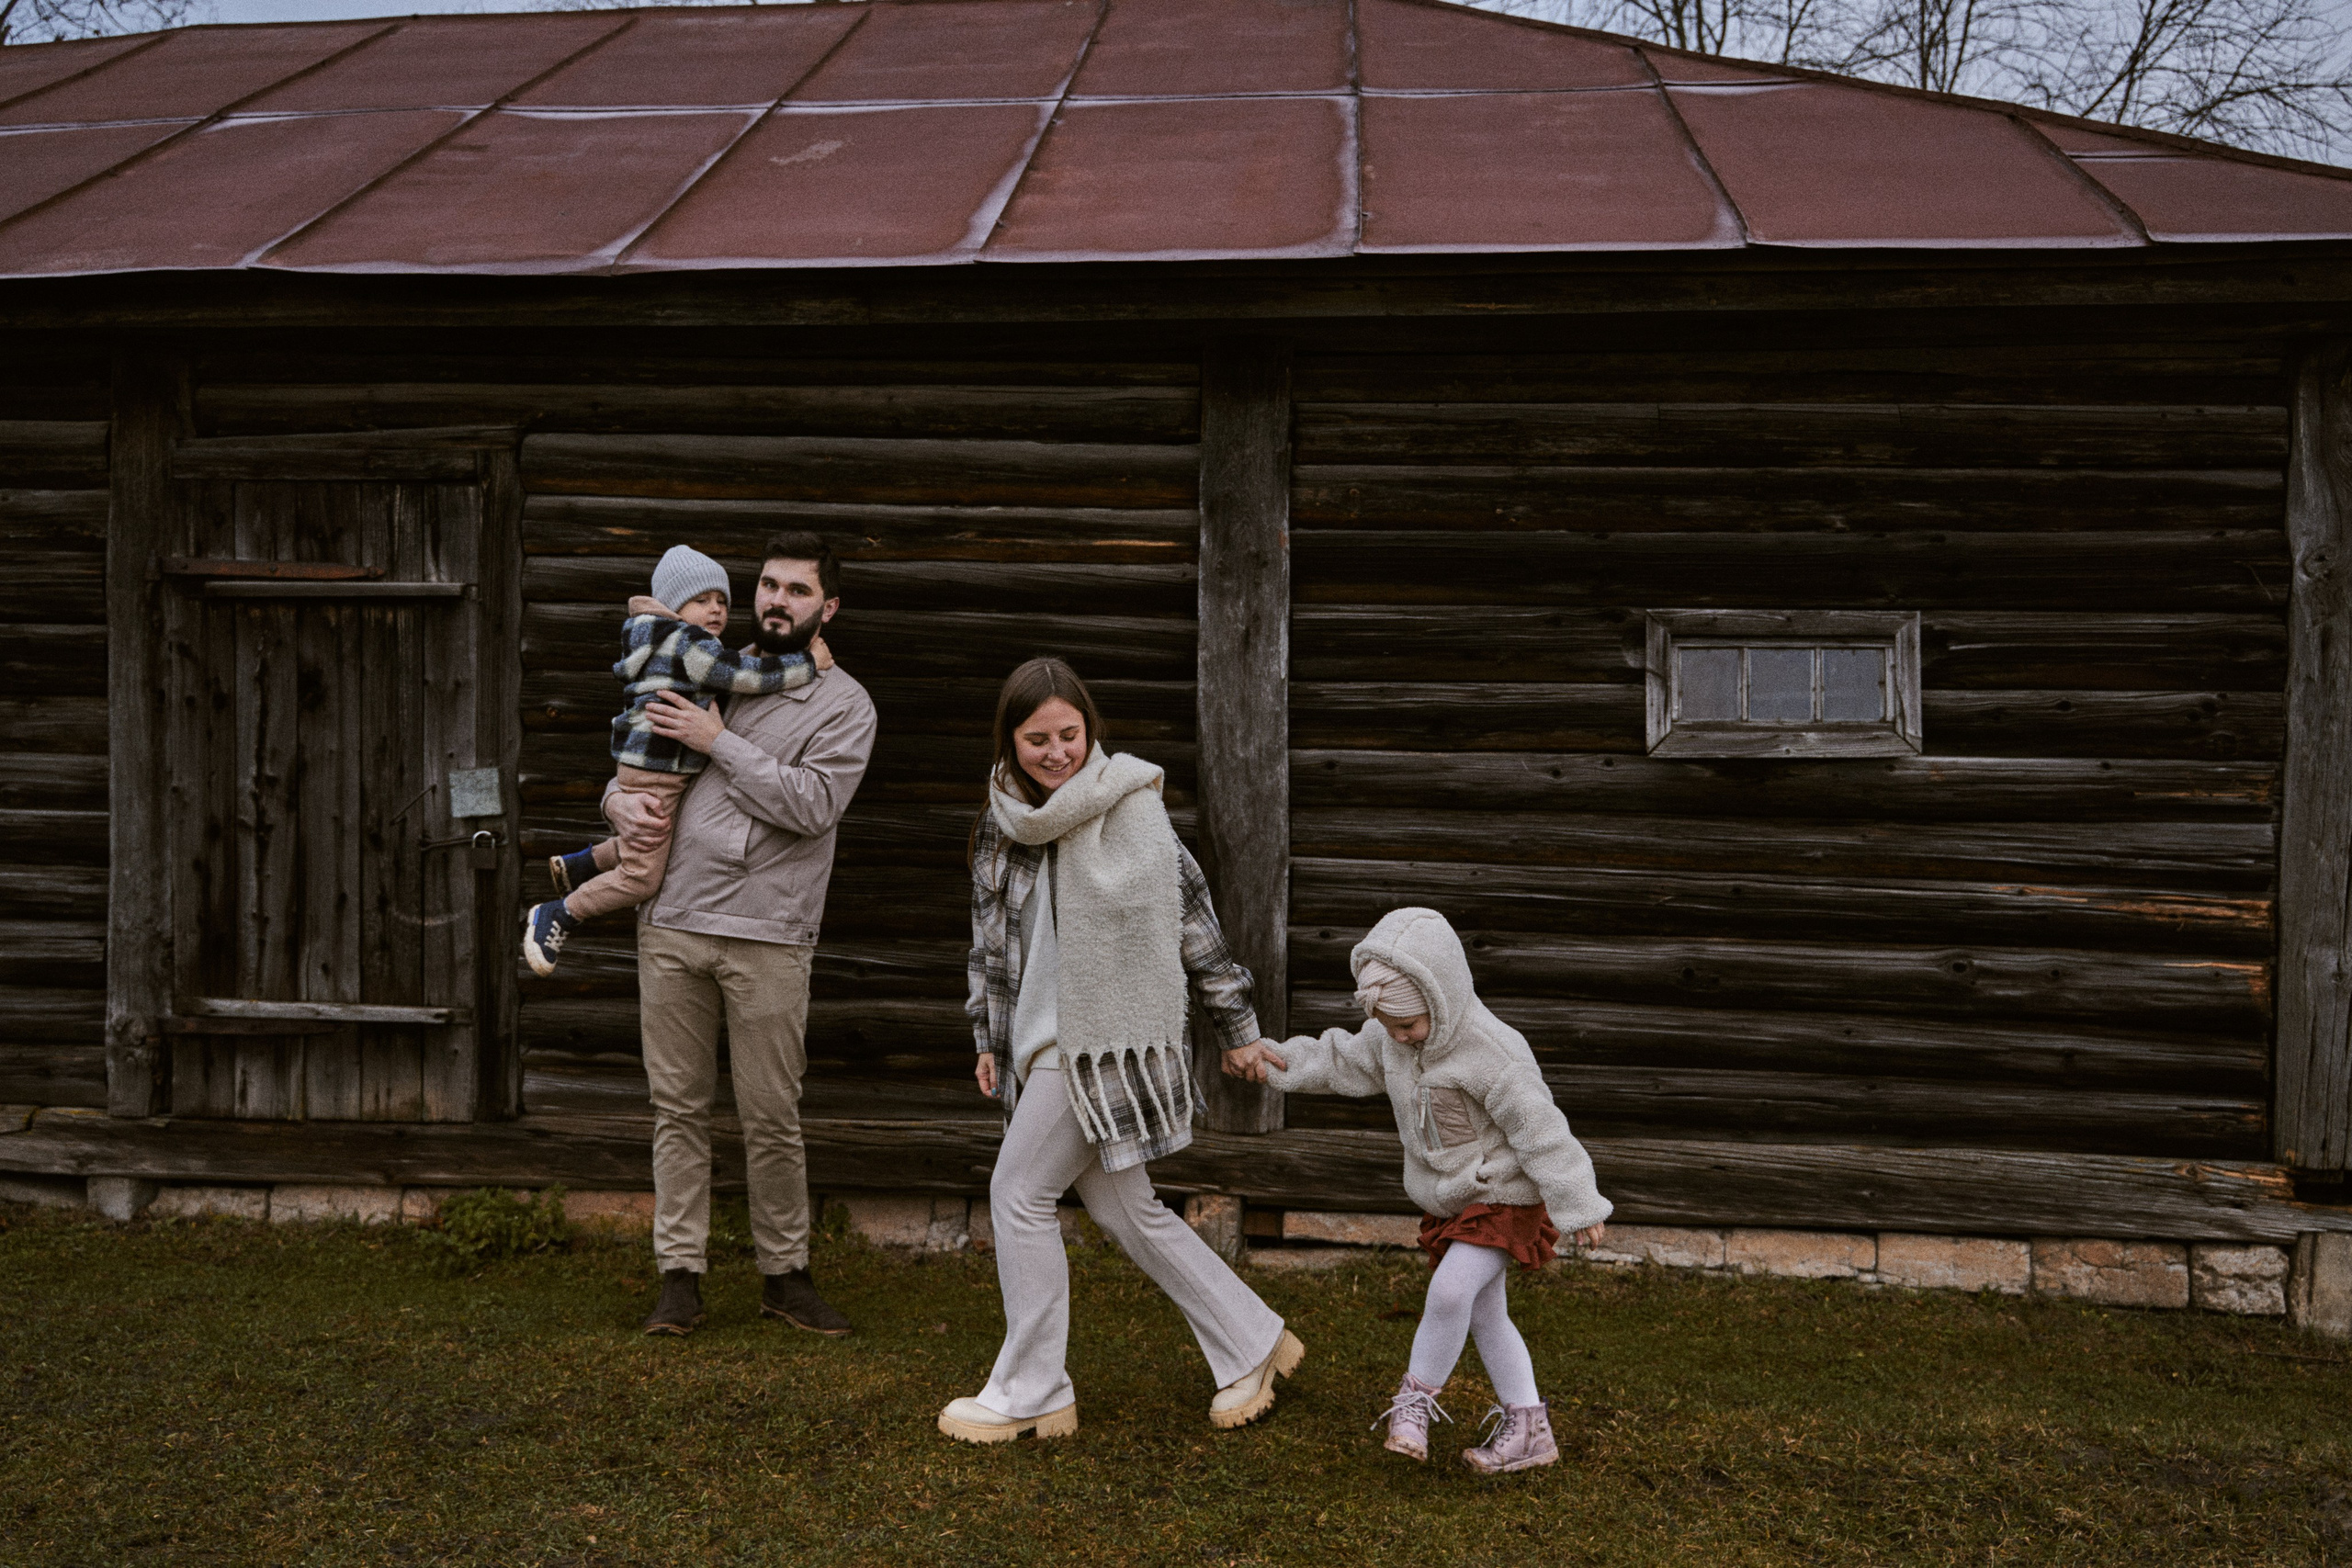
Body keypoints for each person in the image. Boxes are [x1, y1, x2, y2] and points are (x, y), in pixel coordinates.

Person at [941, 657, 1304, 1444]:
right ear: (1010, 741)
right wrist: (987, 1036)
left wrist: (1238, 1028)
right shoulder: (1003, 822)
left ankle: (1034, 1388)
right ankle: (1252, 1339)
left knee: (1018, 1193)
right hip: (1036, 1044)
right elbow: (990, 945)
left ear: (1090, 730)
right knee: (1126, 1208)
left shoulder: (1132, 806)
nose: (1057, 752)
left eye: (1069, 734)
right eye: (1038, 739)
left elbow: (1194, 923)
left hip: (1100, 1044)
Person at [1225, 906, 1611, 1474]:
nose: (1399, 1037)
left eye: (1408, 1025)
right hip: (1455, 1200)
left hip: (1505, 1196)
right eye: (1390, 1027)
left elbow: (1542, 1130)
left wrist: (1579, 1202)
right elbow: (1337, 1059)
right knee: (1486, 1316)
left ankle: (1414, 1405)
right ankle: (1530, 1428)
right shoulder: (1393, 1042)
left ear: (1443, 997)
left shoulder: (1492, 1052)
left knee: (1451, 1293)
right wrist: (1276, 1061)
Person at [605, 534, 877, 1339]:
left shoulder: (845, 704)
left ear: (828, 607)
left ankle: (785, 1276)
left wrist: (715, 739)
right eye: (768, 585)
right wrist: (615, 805)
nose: (777, 601)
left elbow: (811, 805)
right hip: (672, 924)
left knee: (770, 1115)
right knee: (677, 1110)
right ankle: (678, 1279)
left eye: (798, 590)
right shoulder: (700, 664)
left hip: (770, 934)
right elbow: (636, 762)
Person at [522, 543, 829, 978]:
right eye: (701, 600)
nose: (716, 609)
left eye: (722, 600)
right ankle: (561, 912)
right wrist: (808, 665)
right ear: (673, 604)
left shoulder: (654, 638)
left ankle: (583, 863)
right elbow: (741, 675)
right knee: (642, 877)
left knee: (658, 832)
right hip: (659, 769)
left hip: (647, 763)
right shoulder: (689, 642)